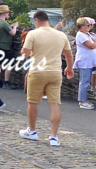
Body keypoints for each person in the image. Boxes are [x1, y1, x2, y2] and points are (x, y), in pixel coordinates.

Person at [19, 10, 73, 146]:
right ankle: (53, 136)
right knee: (54, 104)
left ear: (36, 20)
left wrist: (28, 52)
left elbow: (24, 54)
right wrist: (69, 68)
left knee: (33, 102)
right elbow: (69, 55)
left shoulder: (33, 34)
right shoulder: (61, 35)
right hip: (55, 72)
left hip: (37, 71)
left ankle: (32, 131)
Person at [74, 17, 96, 110]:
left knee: (86, 81)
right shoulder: (81, 35)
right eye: (87, 25)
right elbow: (91, 46)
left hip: (89, 61)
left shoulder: (87, 34)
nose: (89, 27)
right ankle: (82, 101)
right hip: (84, 62)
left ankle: (83, 100)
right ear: (81, 26)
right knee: (84, 81)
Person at [0, 4, 19, 89]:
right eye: (8, 13)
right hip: (6, 46)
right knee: (9, 64)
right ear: (4, 13)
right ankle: (6, 82)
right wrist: (15, 26)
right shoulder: (4, 23)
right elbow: (12, 33)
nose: (8, 15)